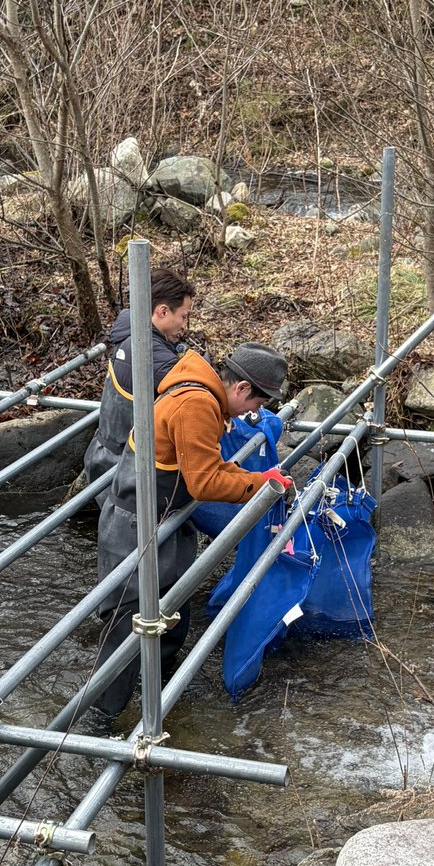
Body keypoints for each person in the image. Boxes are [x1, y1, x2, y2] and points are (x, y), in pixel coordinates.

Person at [93, 341, 292, 718]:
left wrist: (256, 476)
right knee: (127, 630)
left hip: (165, 519)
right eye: (259, 404)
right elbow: (204, 483)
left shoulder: (206, 397)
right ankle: (103, 722)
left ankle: (159, 703)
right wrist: (260, 486)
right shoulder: (197, 405)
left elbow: (209, 468)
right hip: (134, 526)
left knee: (172, 620)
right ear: (242, 389)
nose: (256, 413)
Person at [83, 268, 195, 505]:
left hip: (104, 458)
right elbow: (194, 396)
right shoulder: (150, 353)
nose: (185, 325)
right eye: (184, 316)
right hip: (126, 471)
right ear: (162, 311)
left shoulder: (129, 334)